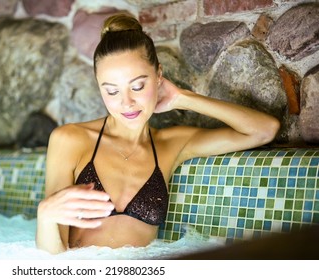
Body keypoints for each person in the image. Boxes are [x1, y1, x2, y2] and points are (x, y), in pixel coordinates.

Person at [36, 13, 280, 254]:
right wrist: (45, 214)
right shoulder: (70, 139)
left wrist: (184, 98)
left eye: (138, 86)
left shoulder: (170, 145)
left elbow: (263, 130)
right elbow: (52, 254)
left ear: (159, 75)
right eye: (111, 91)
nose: (127, 103)